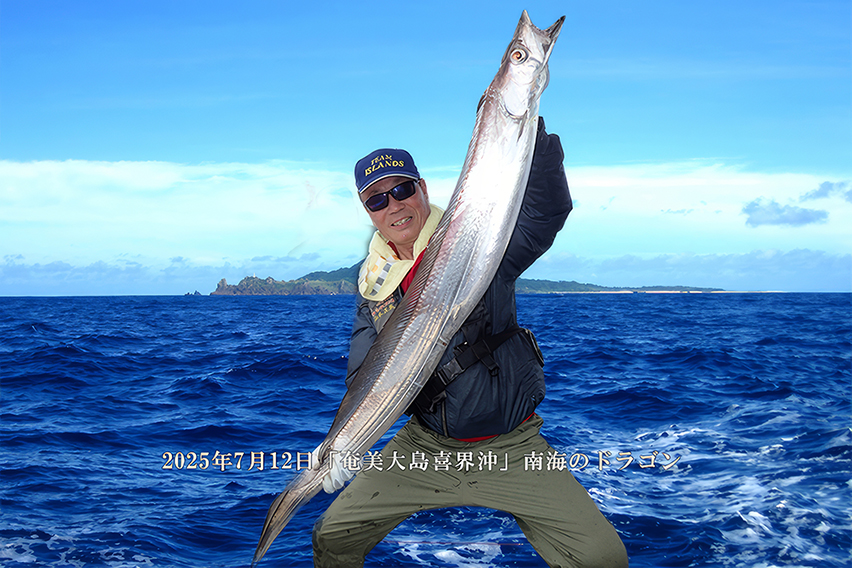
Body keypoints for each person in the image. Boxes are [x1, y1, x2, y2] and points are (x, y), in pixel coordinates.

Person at [312, 118, 628, 568]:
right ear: (368, 212)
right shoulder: (375, 289)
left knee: (602, 557)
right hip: (424, 448)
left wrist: (525, 130)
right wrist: (340, 444)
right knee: (331, 536)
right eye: (377, 199)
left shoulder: (479, 243)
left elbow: (545, 212)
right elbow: (364, 379)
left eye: (402, 190)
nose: (394, 206)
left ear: (422, 189)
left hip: (511, 447)